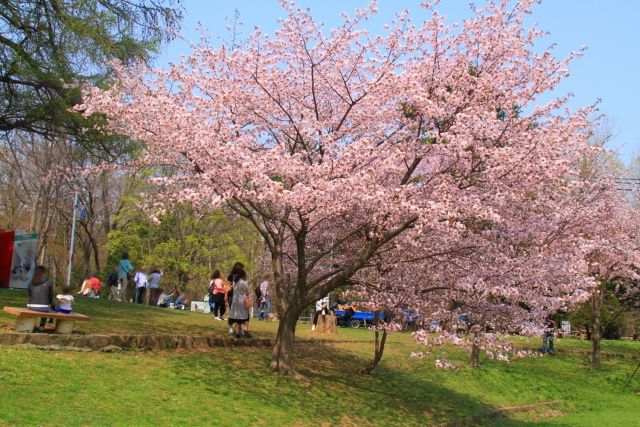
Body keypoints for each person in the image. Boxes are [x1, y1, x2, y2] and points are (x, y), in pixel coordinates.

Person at [27, 266, 53, 331]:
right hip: (44, 306)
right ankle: (41, 326)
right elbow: (50, 295)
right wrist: (50, 303)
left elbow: (30, 294)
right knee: (46, 310)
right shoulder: (48, 282)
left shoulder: (31, 282)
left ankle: (30, 325)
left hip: (31, 305)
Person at [228, 268, 251, 338]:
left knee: (237, 318)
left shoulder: (234, 282)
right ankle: (245, 330)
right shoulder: (244, 283)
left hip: (235, 301)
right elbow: (247, 291)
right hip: (242, 302)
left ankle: (237, 332)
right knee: (245, 317)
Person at [226, 262, 244, 334]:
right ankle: (230, 327)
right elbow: (228, 285)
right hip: (231, 296)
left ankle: (239, 328)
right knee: (233, 312)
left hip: (239, 297)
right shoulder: (231, 276)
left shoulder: (242, 277)